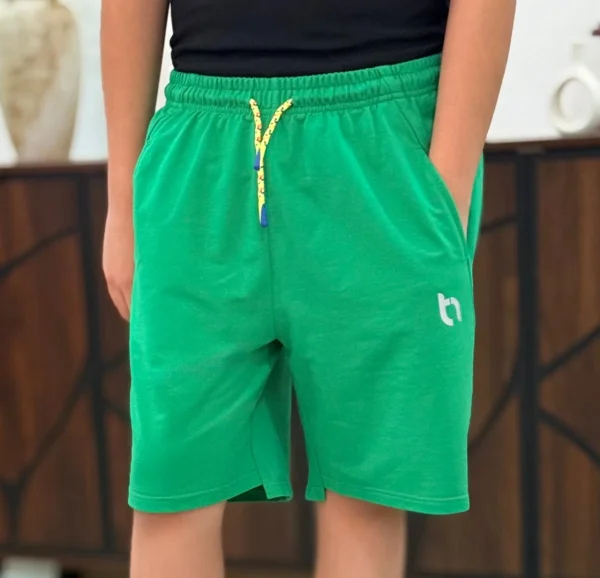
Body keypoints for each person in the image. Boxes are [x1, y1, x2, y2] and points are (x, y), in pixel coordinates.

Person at [101, 1, 515, 576]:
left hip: (384, 147)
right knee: (171, 490)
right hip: (199, 145)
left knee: (367, 496)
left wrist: (445, 187)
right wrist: (123, 201)